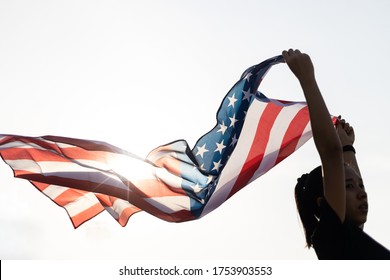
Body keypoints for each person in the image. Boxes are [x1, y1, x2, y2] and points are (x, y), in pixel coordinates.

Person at [283, 49, 390, 259]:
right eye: (348, 187)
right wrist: (307, 78)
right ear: (323, 203)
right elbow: (331, 154)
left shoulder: (349, 242)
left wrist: (347, 147)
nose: (362, 193)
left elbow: (341, 162)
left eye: (361, 186)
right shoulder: (329, 237)